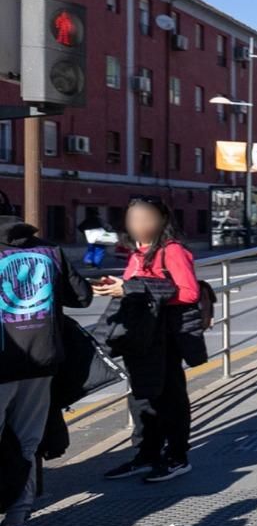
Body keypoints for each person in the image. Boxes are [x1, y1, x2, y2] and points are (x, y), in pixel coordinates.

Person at [0, 217, 94, 526]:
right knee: (27, 444)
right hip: (42, 359)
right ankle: (16, 525)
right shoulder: (49, 250)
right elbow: (81, 297)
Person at [96, 199, 203, 482]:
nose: (139, 225)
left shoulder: (173, 251)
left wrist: (131, 288)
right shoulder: (137, 253)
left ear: (162, 220)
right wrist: (116, 286)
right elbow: (136, 288)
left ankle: (178, 456)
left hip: (165, 335)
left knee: (170, 396)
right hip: (139, 336)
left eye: (146, 218)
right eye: (133, 219)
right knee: (141, 397)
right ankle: (146, 454)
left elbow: (188, 293)